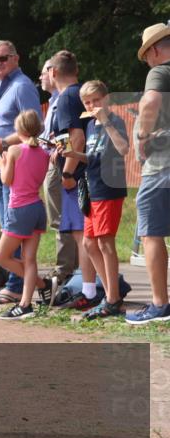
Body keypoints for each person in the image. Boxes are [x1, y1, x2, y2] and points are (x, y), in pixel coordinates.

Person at [0, 41, 42, 307]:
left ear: (16, 58)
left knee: (14, 231)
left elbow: (34, 127)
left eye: (2, 58)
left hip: (15, 168)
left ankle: (17, 287)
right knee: (9, 228)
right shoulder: (2, 85)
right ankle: (24, 283)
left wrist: (4, 142)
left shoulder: (22, 85)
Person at [65, 81, 130, 320]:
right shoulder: (91, 125)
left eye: (96, 100)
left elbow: (123, 149)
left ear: (106, 99)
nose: (92, 105)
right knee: (89, 244)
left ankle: (112, 299)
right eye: (87, 102)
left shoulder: (115, 121)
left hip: (109, 189)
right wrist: (73, 155)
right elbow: (94, 156)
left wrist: (106, 122)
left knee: (104, 243)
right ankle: (111, 295)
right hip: (93, 189)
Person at [128, 21, 170, 325]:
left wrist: (142, 137)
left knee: (151, 233)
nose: (147, 63)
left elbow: (152, 101)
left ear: (154, 50)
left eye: (146, 57)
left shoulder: (160, 71)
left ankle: (159, 304)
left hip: (162, 165)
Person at [45, 50, 92, 309]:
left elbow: (77, 137)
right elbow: (70, 135)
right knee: (85, 235)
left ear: (53, 72)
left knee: (81, 235)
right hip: (87, 171)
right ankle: (90, 287)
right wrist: (59, 147)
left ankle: (88, 290)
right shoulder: (80, 93)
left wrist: (67, 173)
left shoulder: (65, 98)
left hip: (77, 176)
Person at [0, 110, 50, 320]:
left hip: (19, 209)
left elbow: (7, 180)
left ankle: (38, 287)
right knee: (29, 259)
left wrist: (2, 164)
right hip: (37, 207)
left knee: (3, 257)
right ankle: (26, 303)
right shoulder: (44, 153)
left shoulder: (15, 150)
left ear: (19, 129)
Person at [39, 57, 78, 289]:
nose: (42, 77)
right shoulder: (71, 95)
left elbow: (69, 134)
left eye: (45, 72)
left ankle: (65, 269)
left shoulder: (65, 97)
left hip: (63, 165)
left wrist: (65, 166)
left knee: (61, 218)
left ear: (53, 72)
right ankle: (75, 268)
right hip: (67, 162)